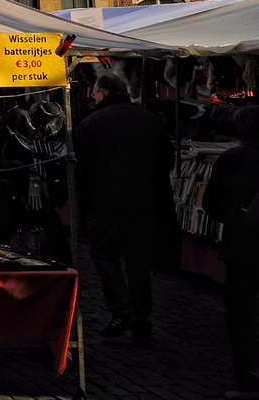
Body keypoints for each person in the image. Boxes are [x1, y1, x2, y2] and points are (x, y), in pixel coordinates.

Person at [74, 71, 172, 345]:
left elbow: (81, 168)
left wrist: (91, 196)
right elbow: (167, 161)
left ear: (103, 92)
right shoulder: (149, 120)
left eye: (94, 93)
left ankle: (124, 311)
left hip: (107, 205)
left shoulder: (92, 123)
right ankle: (140, 318)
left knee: (105, 257)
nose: (92, 98)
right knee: (138, 263)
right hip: (143, 204)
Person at [204, 105, 259, 396]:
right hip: (244, 244)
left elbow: (211, 204)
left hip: (244, 246)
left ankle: (249, 379)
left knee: (242, 313)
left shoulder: (234, 158)